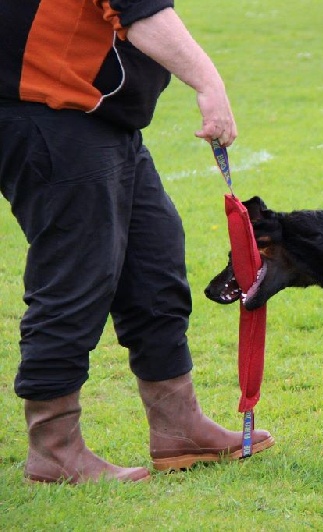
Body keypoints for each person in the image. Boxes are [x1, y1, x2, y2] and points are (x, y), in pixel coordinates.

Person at [0, 1, 274, 483]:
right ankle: (54, 449)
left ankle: (178, 427)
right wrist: (209, 82)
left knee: (154, 265)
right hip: (50, 115)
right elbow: (141, 10)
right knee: (76, 281)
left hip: (99, 119)